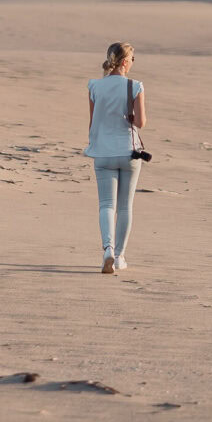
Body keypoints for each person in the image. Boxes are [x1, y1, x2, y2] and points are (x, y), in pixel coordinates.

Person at [84, 41, 146, 274]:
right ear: (124, 62)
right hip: (128, 152)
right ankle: (119, 256)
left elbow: (93, 123)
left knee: (106, 205)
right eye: (132, 59)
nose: (132, 64)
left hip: (102, 152)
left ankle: (107, 248)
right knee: (125, 207)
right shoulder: (135, 86)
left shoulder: (94, 87)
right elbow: (141, 122)